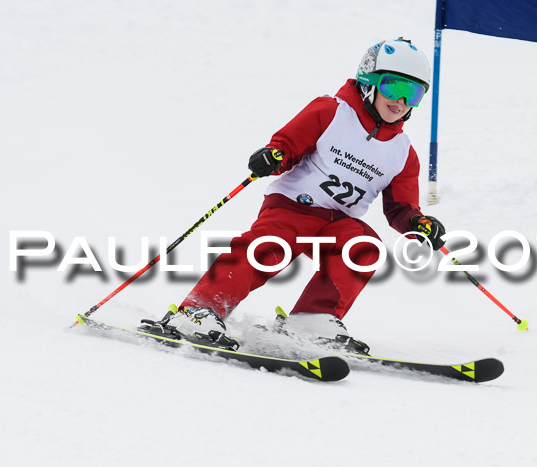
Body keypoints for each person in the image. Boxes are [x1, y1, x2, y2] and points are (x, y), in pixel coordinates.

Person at [144, 38, 446, 353]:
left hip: (338, 223)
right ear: (369, 81)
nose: (399, 101)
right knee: (266, 248)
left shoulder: (402, 153)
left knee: (364, 247)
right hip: (292, 208)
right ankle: (199, 309)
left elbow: (400, 209)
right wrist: (274, 155)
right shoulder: (331, 111)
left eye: (412, 93)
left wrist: (418, 223)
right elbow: (287, 145)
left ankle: (313, 319)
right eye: (392, 87)